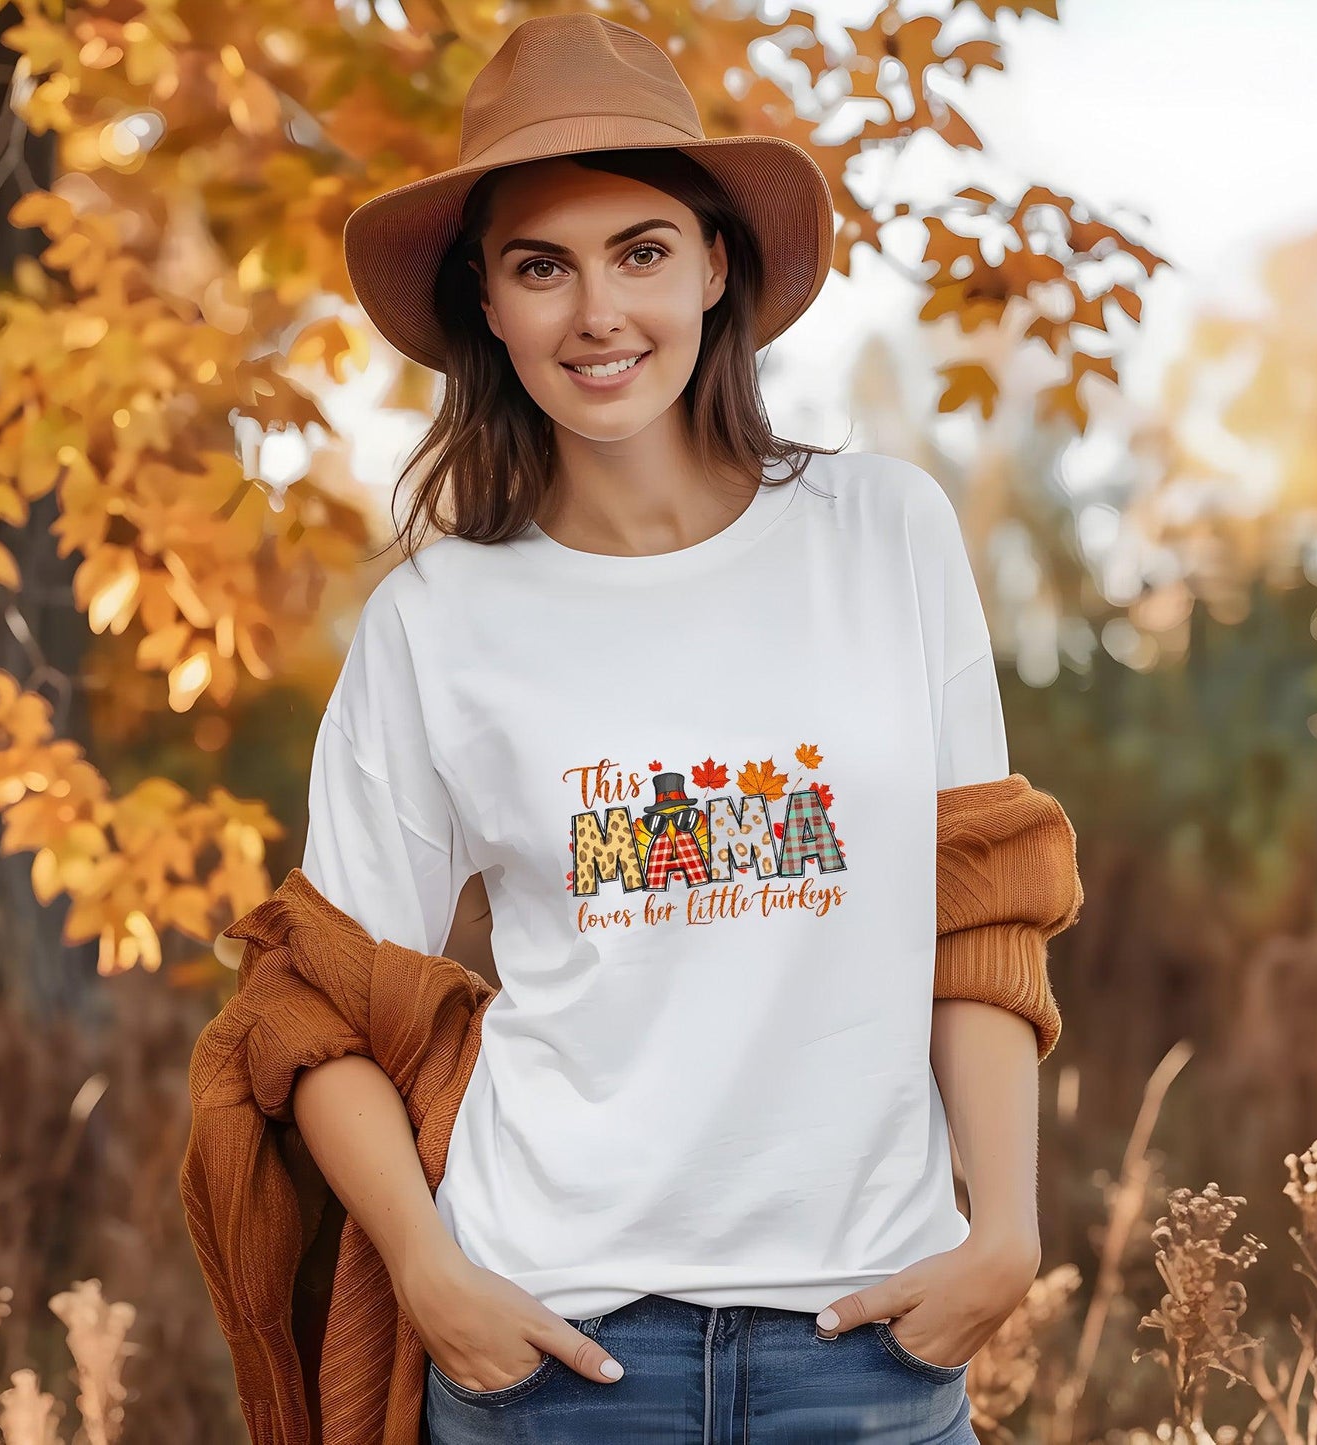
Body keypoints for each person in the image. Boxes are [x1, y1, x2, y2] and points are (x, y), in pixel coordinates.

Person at [289, 13, 1077, 1444]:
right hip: (558, 1359)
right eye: (543, 266)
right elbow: (314, 1011)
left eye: (639, 250)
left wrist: (1005, 1229)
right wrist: (429, 1271)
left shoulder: (882, 532)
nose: (598, 312)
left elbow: (982, 903)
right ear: (486, 301)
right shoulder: (438, 618)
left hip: (870, 1344)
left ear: (716, 264)